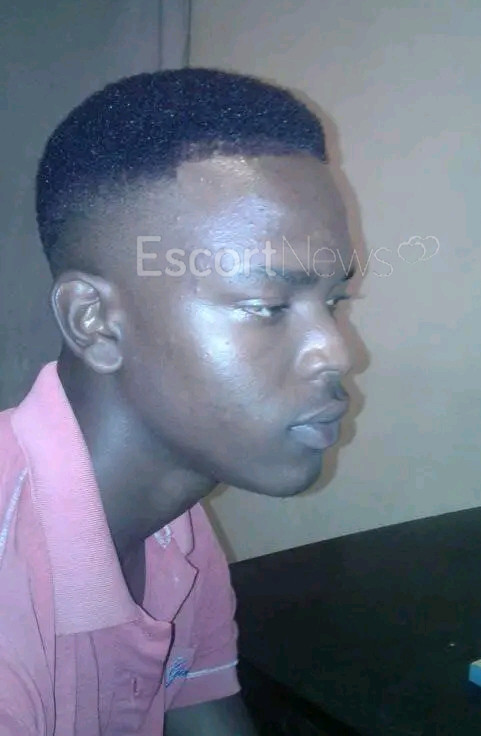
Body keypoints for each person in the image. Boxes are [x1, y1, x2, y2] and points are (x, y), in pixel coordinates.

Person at [0, 68, 355, 735]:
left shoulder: (173, 527)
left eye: (333, 301)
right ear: (95, 322)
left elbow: (204, 714)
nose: (336, 353)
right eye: (267, 304)